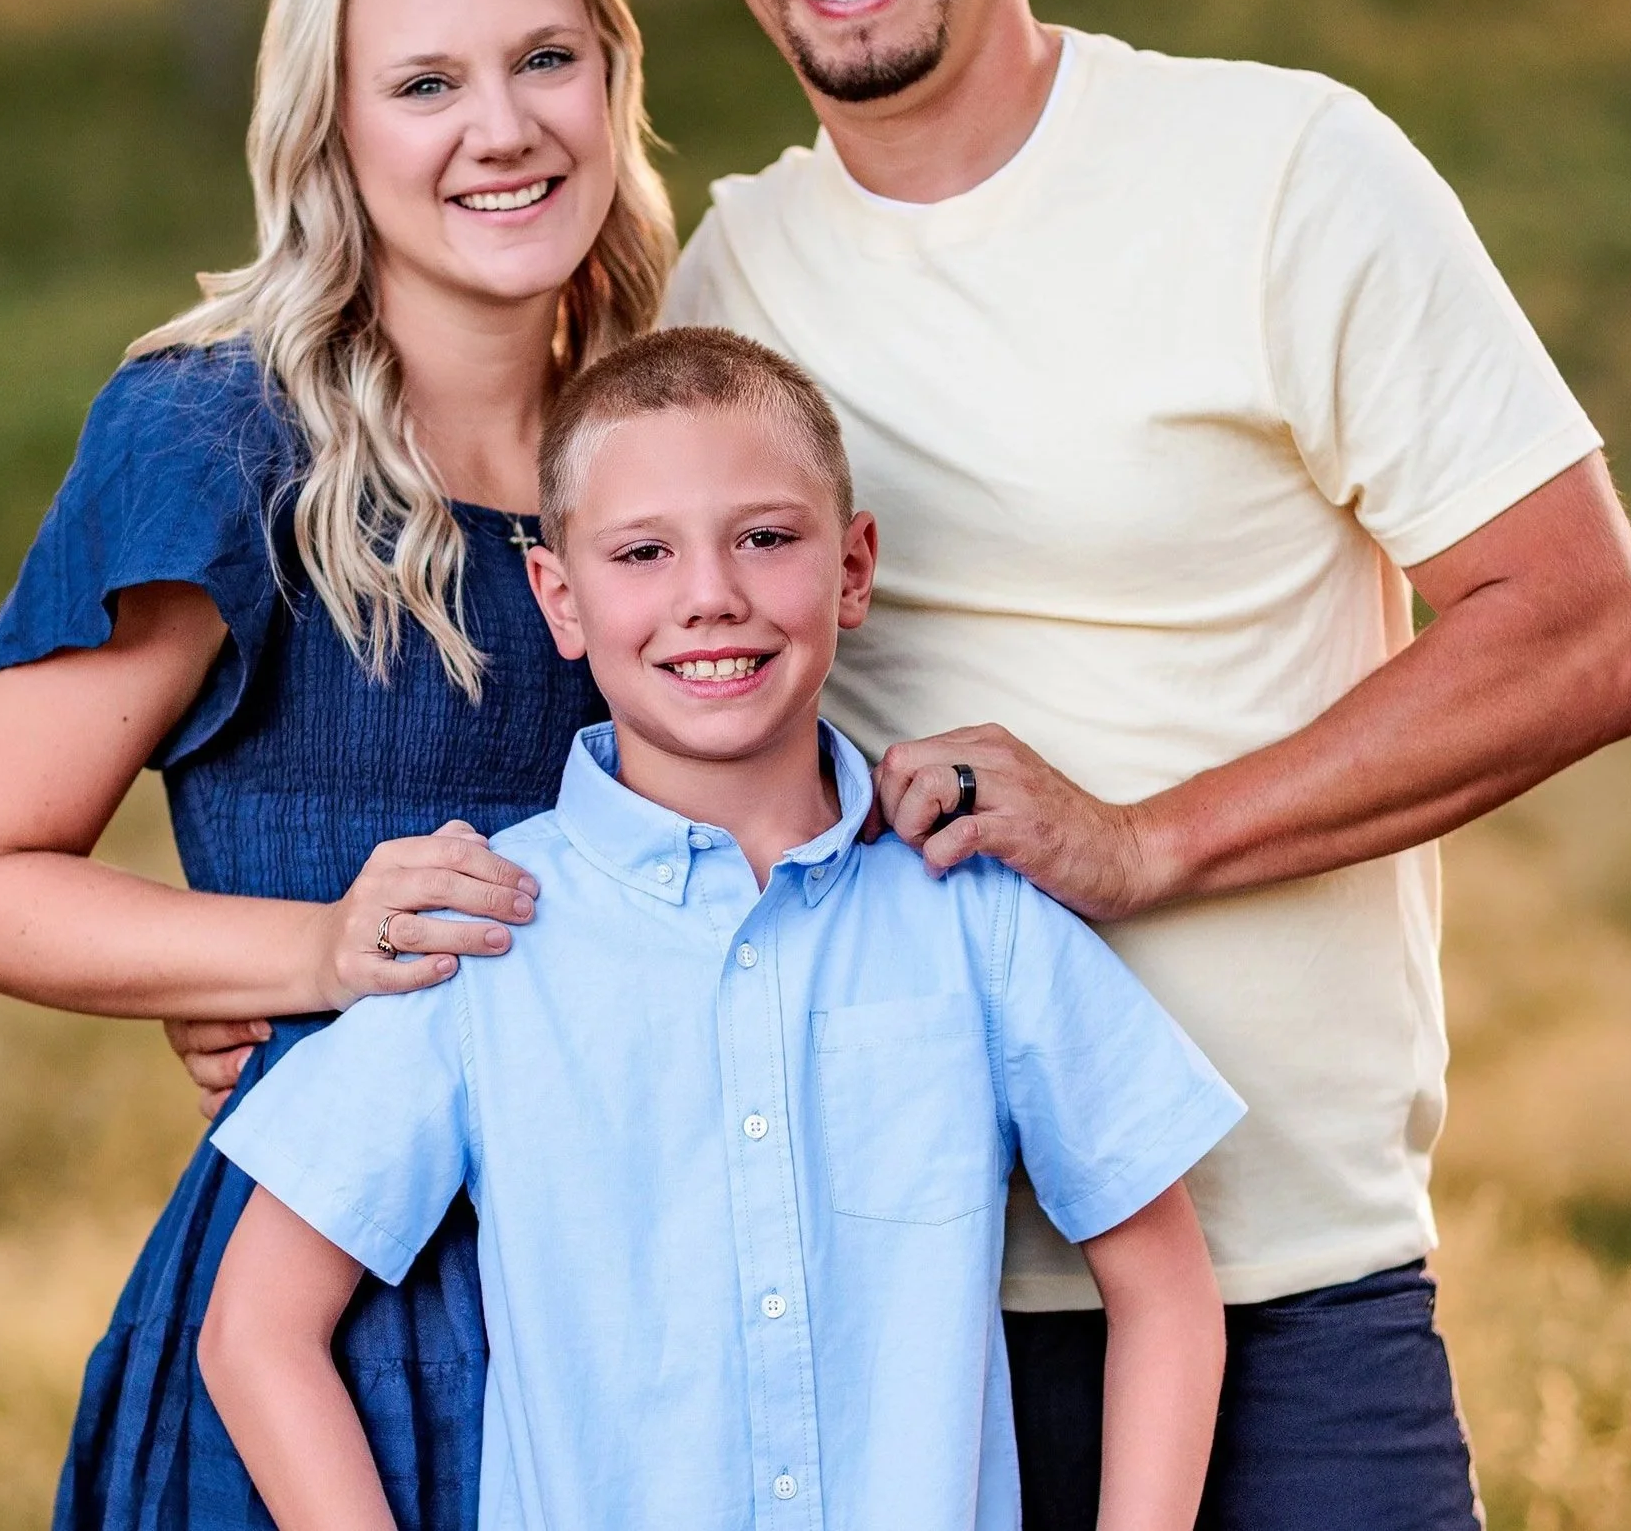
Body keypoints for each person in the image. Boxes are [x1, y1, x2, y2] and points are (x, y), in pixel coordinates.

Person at [659, 0, 1631, 1529]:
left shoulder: (1280, 167)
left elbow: (1578, 625)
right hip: (880, 1307)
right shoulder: (721, 287)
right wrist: (299, 962)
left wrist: (1146, 838)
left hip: (1284, 1281)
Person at [0, 0, 678, 1531]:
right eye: (422, 82)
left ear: (612, 78)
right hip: (334, 1325)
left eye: (545, 58)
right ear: (327, 134)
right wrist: (304, 946)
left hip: (650, 1285)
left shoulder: (666, 439)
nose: (503, 125)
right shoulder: (217, 435)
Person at [198, 327, 1245, 1531]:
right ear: (559, 596)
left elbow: (1164, 1287)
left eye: (763, 537)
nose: (711, 594)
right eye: (642, 551)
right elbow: (257, 1328)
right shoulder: (483, 939)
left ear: (851, 567)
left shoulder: (974, 914)